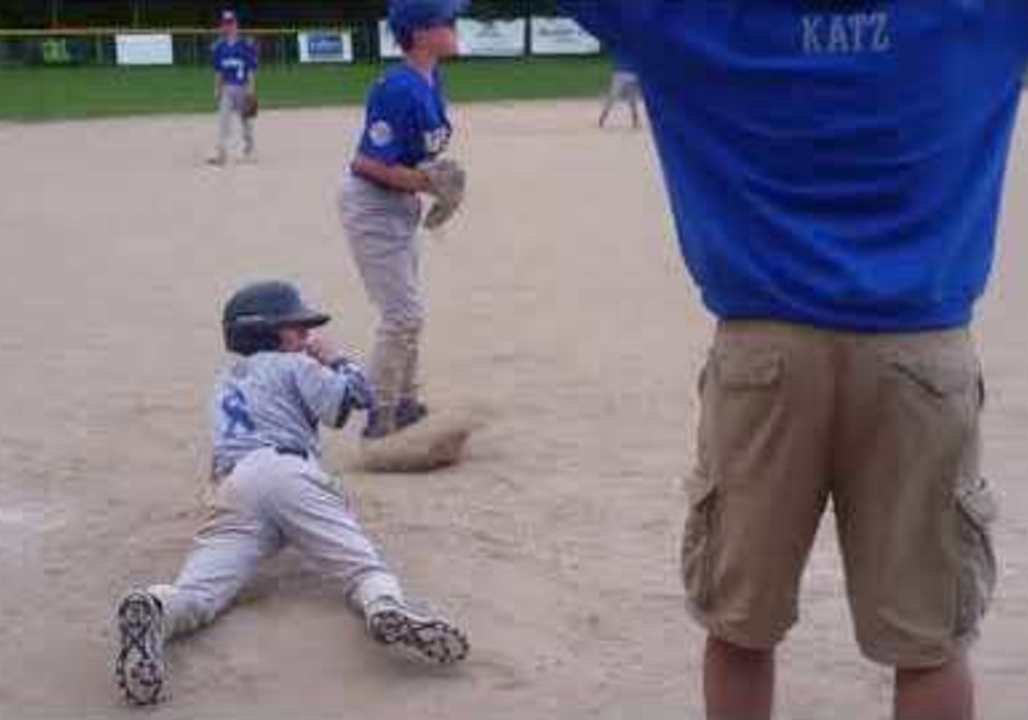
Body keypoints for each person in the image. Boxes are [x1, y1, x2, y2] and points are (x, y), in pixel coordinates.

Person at [558, 3, 1026, 719]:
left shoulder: (693, 16)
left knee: (740, 629)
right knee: (929, 643)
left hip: (761, 353)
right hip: (921, 353)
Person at [113, 281, 469, 706]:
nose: (305, 336)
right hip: (287, 471)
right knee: (361, 567)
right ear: (268, 332)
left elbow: (219, 454)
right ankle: (385, 608)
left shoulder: (225, 381)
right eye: (296, 328)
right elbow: (353, 400)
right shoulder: (294, 365)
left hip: (234, 485)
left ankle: (157, 608)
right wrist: (335, 359)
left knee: (202, 592)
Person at [338, 0, 466, 440]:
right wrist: (427, 181)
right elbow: (366, 163)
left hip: (399, 205)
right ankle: (380, 415)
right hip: (373, 204)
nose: (455, 25)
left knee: (410, 311)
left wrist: (424, 180)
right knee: (402, 314)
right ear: (420, 32)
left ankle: (406, 403)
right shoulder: (397, 88)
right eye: (446, 20)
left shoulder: (431, 79)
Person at [208, 9, 258, 166]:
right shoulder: (219, 47)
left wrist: (251, 89)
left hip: (242, 88)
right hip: (227, 90)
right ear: (222, 26)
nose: (228, 26)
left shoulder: (245, 45)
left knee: (246, 123)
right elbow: (219, 71)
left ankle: (249, 148)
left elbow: (250, 69)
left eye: (231, 23)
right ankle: (221, 154)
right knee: (224, 121)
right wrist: (216, 89)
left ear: (236, 25)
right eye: (226, 24)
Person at [598, 55, 641, 129]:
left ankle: (635, 120)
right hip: (620, 75)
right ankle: (602, 118)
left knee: (632, 101)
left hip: (632, 76)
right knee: (612, 98)